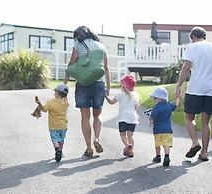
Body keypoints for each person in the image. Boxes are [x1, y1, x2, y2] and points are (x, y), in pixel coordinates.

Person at [175, 26, 212, 161]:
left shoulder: (191, 48)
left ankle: (195, 143)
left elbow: (186, 67)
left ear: (192, 37)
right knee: (205, 121)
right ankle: (204, 152)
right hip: (211, 90)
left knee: (189, 118)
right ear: (205, 36)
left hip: (195, 89)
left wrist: (179, 85)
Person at [64, 26, 111, 157]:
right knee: (97, 115)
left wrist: (64, 84)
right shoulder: (101, 46)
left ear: (79, 35)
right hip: (99, 84)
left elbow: (71, 64)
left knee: (85, 117)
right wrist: (108, 87)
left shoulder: (78, 44)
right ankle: (97, 139)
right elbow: (106, 68)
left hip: (83, 84)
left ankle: (89, 148)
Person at [105, 75, 139, 157]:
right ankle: (131, 151)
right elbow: (136, 108)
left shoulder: (120, 94)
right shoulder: (135, 95)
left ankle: (127, 146)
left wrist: (105, 96)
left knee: (123, 135)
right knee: (130, 136)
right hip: (133, 118)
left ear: (123, 86)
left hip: (123, 118)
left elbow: (111, 102)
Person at [34, 83, 69, 162]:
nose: (54, 92)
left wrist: (39, 103)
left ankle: (57, 149)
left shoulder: (51, 102)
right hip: (63, 126)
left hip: (53, 126)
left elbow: (44, 109)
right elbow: (65, 97)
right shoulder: (65, 103)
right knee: (61, 140)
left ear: (57, 93)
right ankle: (60, 150)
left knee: (54, 139)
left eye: (55, 91)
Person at [148, 87, 179, 167]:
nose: (154, 100)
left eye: (155, 98)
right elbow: (175, 105)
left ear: (159, 98)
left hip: (157, 130)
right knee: (166, 144)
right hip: (168, 130)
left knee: (157, 144)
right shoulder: (169, 105)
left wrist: (150, 119)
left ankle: (158, 157)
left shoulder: (156, 107)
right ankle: (167, 156)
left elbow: (153, 117)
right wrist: (178, 97)